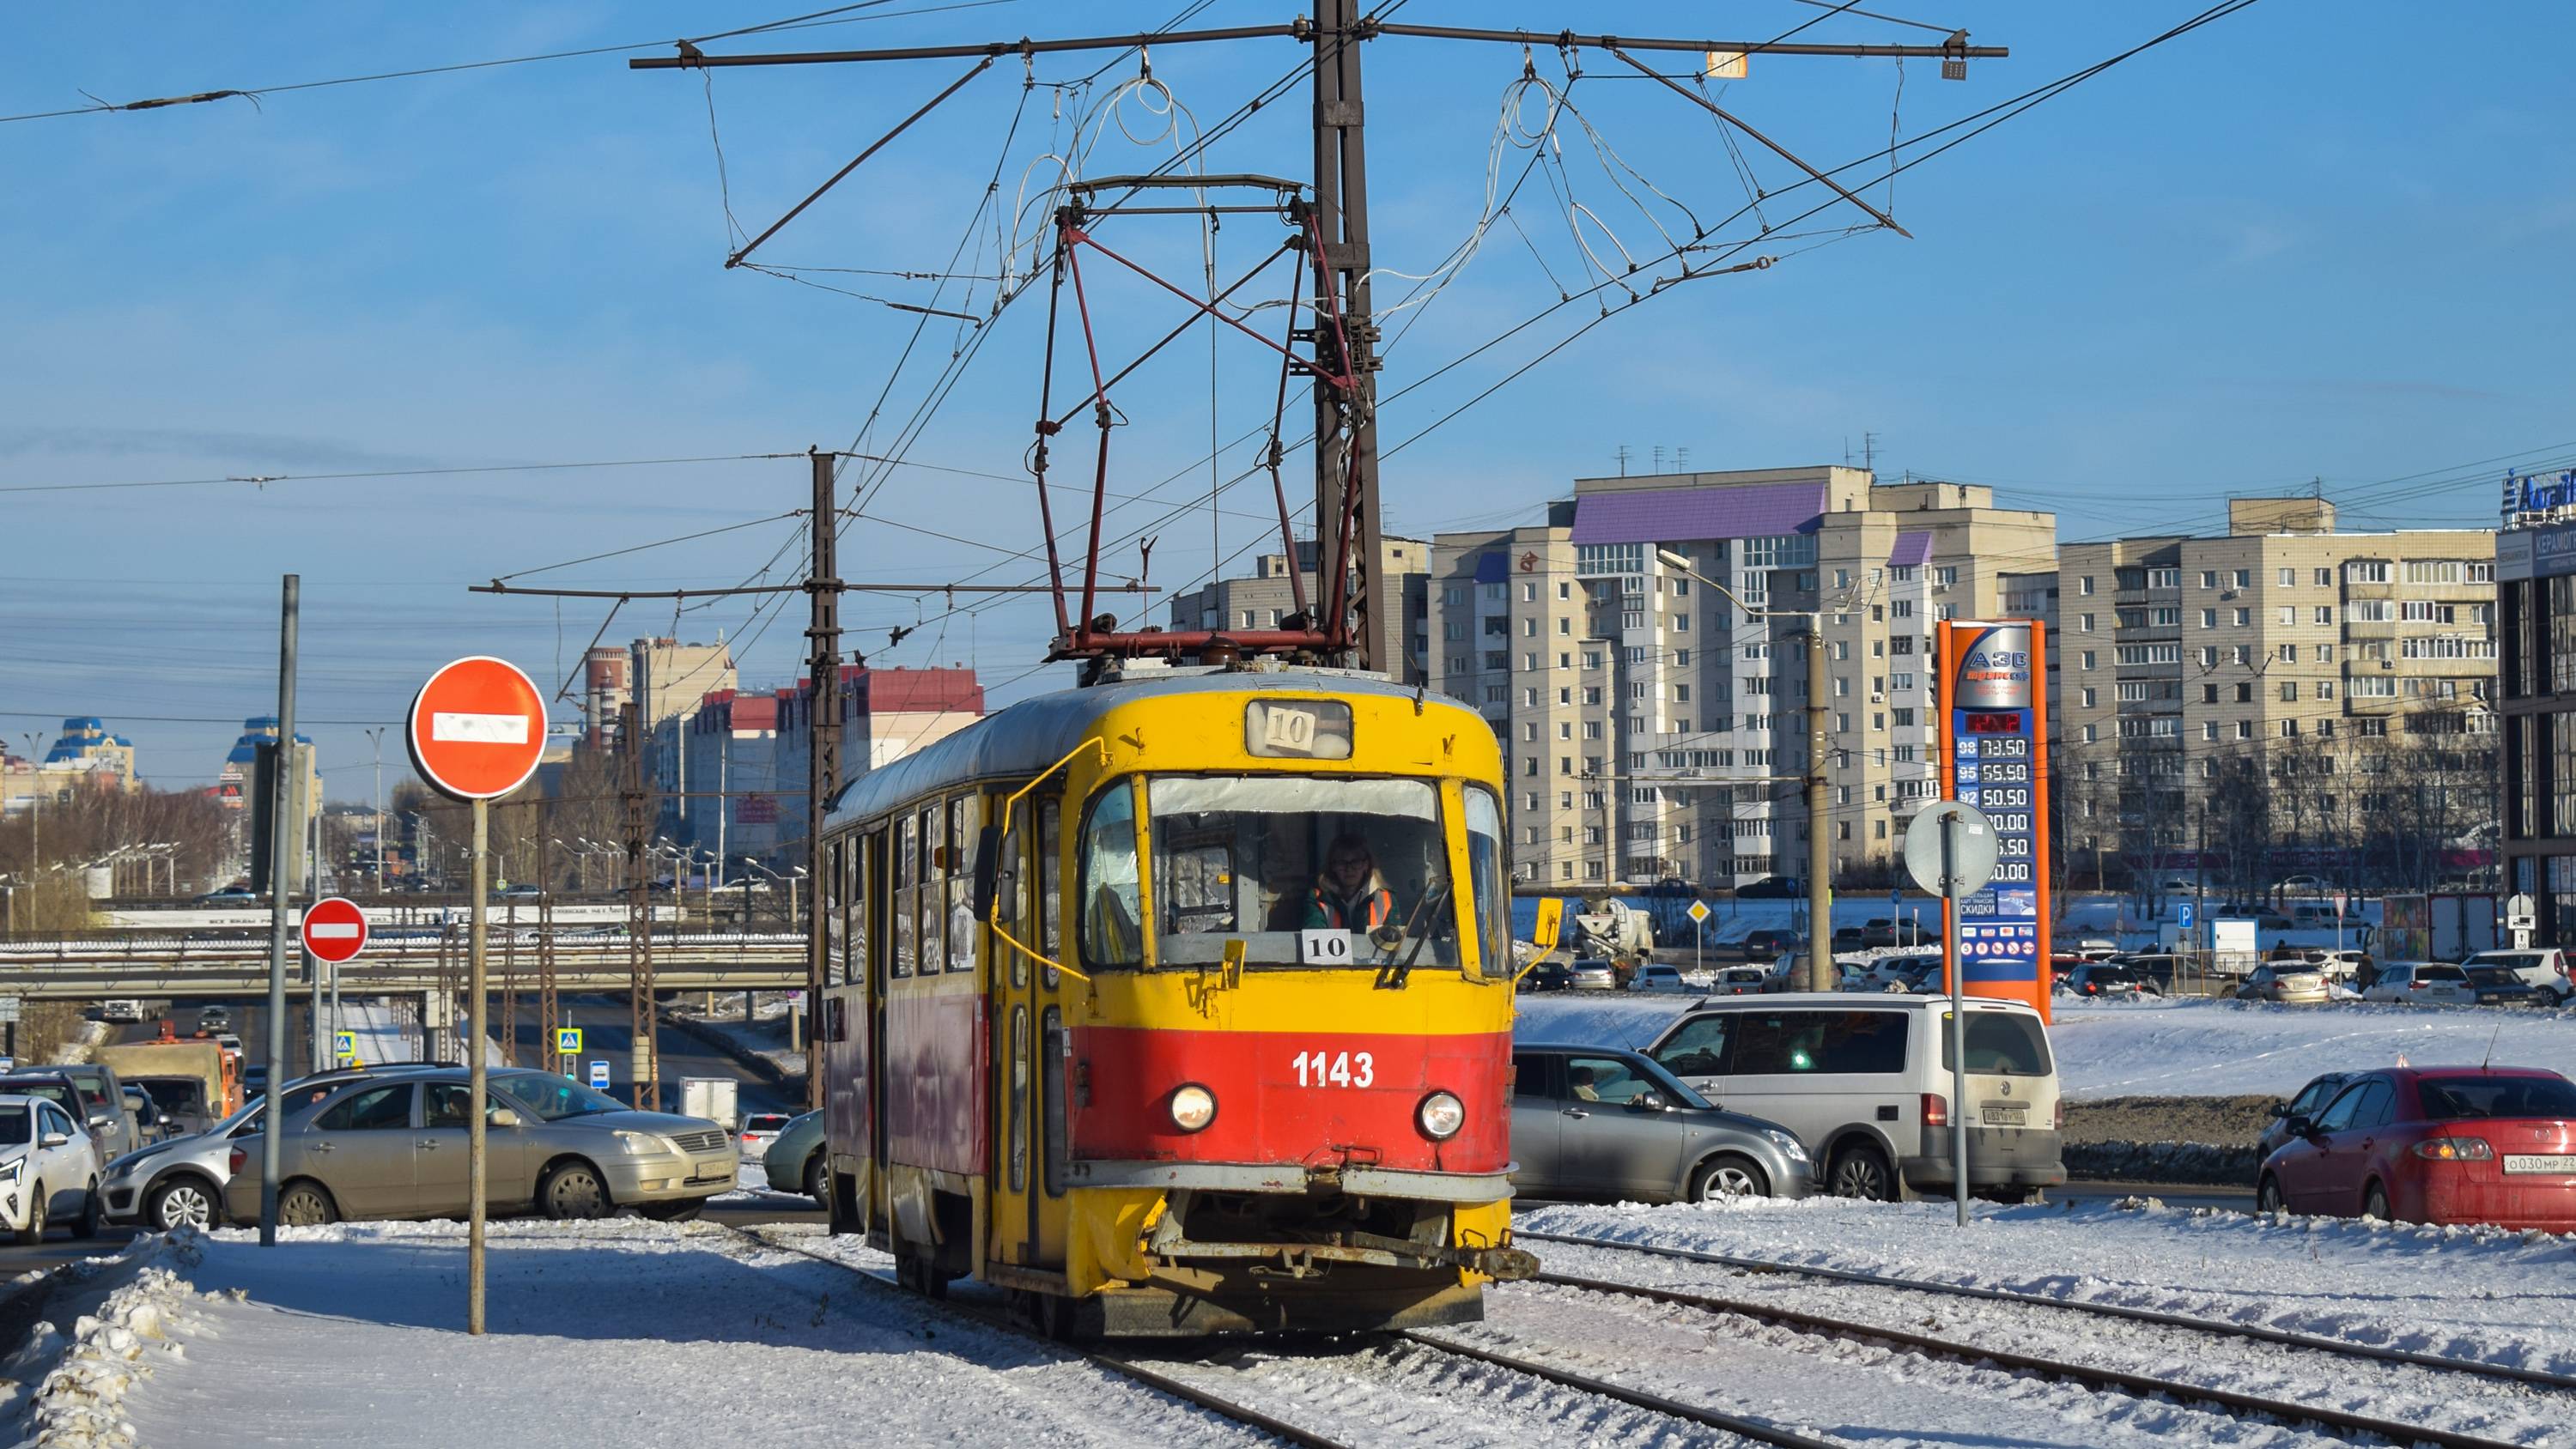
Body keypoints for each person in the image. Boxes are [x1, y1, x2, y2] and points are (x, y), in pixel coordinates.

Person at [1301, 834, 1396, 931]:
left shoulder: (1386, 898)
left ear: (1366, 865)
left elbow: (1395, 939)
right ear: (1333, 866)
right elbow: (1313, 931)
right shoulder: (1317, 897)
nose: (1349, 869)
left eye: (1356, 862)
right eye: (1341, 863)